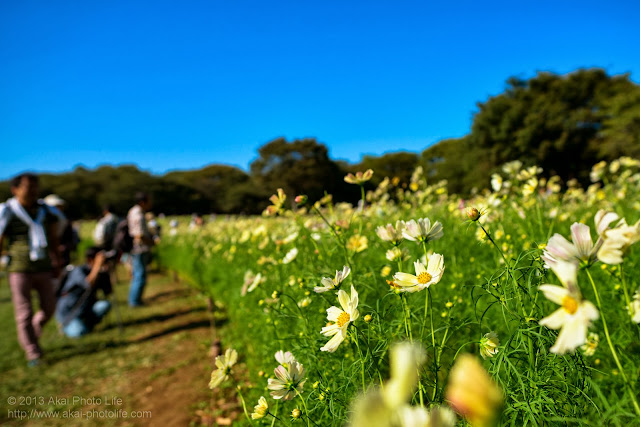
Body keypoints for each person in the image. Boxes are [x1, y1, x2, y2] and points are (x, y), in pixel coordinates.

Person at [0, 173, 62, 366]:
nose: (33, 190)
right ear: (15, 189)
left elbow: (53, 238)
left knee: (49, 307)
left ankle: (33, 331)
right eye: (28, 187)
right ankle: (33, 353)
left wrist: (57, 260)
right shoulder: (8, 211)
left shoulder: (45, 211)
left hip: (43, 266)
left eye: (36, 186)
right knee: (24, 311)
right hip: (19, 268)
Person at [56, 247, 112, 337]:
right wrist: (97, 265)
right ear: (90, 259)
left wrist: (107, 273)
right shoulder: (78, 271)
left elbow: (108, 292)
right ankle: (64, 326)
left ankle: (87, 323)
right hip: (70, 313)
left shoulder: (100, 273)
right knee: (80, 332)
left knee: (104, 305)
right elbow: (88, 284)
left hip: (86, 309)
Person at [127, 192, 154, 307]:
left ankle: (134, 300)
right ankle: (134, 302)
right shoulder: (138, 215)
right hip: (139, 249)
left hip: (136, 249)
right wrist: (152, 242)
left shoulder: (133, 212)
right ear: (143, 202)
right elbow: (139, 235)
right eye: (149, 200)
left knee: (138, 274)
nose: (150, 203)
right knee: (140, 275)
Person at [43, 194, 78, 268]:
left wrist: (64, 247)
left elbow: (72, 240)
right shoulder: (42, 223)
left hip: (63, 258)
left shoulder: (65, 222)